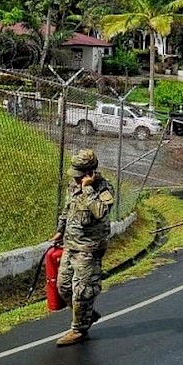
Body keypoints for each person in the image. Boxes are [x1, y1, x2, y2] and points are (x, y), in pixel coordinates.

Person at [50, 149, 115, 347]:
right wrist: (60, 230)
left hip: (89, 248)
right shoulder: (73, 184)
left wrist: (88, 189)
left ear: (90, 172)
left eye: (80, 175)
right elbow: (68, 208)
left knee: (82, 290)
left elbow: (100, 212)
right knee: (64, 286)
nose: (76, 179)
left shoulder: (104, 189)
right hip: (71, 244)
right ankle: (86, 314)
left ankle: (79, 329)